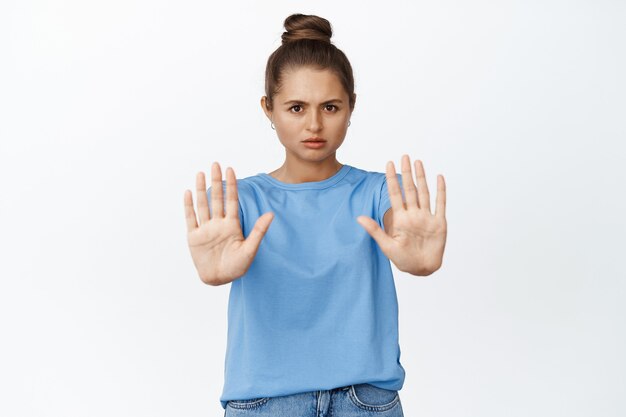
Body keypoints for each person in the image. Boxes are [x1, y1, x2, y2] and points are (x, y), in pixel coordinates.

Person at [183, 13, 447, 417]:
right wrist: (216, 270)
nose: (314, 124)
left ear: (351, 107)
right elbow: (221, 250)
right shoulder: (239, 200)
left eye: (329, 106)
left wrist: (416, 254)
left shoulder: (377, 191)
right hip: (264, 404)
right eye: (295, 107)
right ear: (268, 109)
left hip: (365, 401)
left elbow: (398, 225)